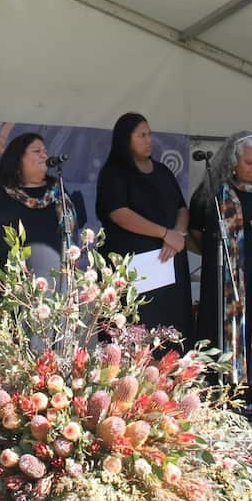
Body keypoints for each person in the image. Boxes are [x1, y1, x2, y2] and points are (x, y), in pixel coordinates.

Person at [190, 132, 252, 427]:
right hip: (227, 280)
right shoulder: (214, 192)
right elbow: (196, 232)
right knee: (229, 335)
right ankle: (227, 398)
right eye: (249, 162)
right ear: (234, 161)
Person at [96, 112, 193, 342]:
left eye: (149, 134)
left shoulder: (162, 172)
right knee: (137, 330)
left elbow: (182, 207)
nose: (148, 140)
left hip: (169, 265)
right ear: (125, 139)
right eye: (141, 135)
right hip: (135, 266)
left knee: (171, 330)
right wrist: (164, 234)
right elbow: (120, 214)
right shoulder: (115, 173)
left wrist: (178, 234)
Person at [0, 132, 87, 280]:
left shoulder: (58, 190)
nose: (44, 156)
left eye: (45, 152)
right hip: (8, 286)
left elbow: (72, 231)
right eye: (37, 151)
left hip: (55, 285)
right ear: (18, 158)